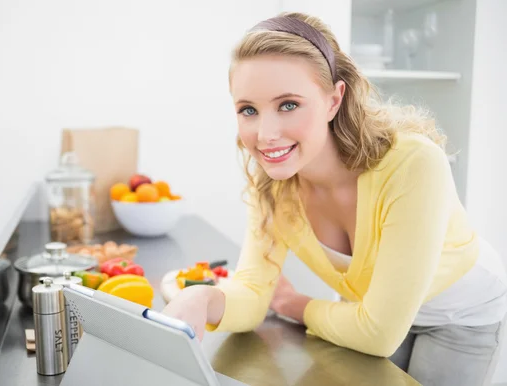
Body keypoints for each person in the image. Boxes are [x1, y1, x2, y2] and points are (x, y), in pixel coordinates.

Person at [161, 12, 507, 386]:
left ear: (333, 99)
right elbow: (252, 292)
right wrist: (202, 300)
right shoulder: (273, 185)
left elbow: (378, 334)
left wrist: (297, 306)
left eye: (288, 104)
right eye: (248, 110)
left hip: (459, 315)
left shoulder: (413, 164)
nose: (265, 134)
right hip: (369, 312)